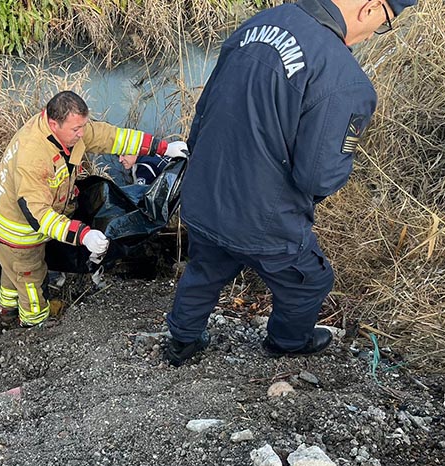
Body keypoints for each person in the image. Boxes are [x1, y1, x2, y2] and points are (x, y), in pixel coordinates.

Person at [165, 0, 417, 366]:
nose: (372, 33)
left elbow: (201, 117)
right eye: (384, 23)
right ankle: (287, 341)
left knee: (205, 267)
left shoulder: (257, 25)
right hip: (262, 216)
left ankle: (182, 341)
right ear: (372, 7)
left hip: (205, 194)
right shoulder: (343, 77)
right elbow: (319, 176)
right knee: (309, 279)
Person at [0, 90, 187, 327]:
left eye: (83, 126)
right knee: (31, 276)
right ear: (53, 123)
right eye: (76, 130)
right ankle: (33, 324)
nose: (82, 134)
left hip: (1, 216)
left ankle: (6, 310)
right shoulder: (34, 156)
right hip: (15, 229)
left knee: (12, 269)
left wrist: (161, 148)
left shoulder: (67, 132)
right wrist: (83, 234)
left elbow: (112, 137)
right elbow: (38, 216)